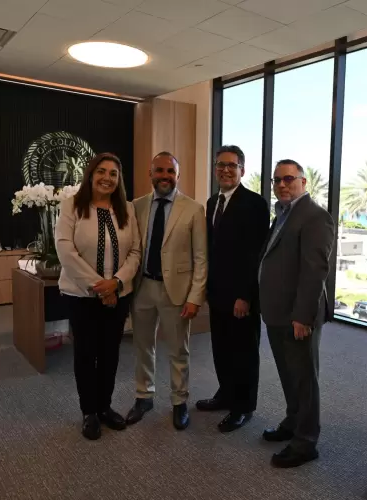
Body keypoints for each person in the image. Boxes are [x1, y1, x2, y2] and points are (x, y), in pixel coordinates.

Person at [55, 152, 141, 441]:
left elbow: (135, 252)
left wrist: (115, 283)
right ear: (91, 175)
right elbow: (66, 250)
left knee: (110, 354)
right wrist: (98, 286)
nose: (107, 178)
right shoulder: (72, 207)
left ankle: (104, 406)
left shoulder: (127, 209)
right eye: (101, 171)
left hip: (118, 294)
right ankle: (88, 411)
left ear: (119, 179)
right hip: (81, 295)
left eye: (113, 173)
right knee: (85, 353)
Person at [258, 159, 335, 468]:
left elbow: (315, 271)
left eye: (289, 179)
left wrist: (303, 316)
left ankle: (306, 441)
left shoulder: (315, 217)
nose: (282, 185)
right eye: (277, 180)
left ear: (304, 182)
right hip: (278, 311)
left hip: (298, 314)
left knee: (304, 378)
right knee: (289, 373)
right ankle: (293, 422)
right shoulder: (284, 214)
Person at [126, 151, 207, 430]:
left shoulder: (193, 209)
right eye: (159, 171)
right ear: (150, 174)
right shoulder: (136, 206)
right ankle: (143, 396)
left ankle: (179, 401)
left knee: (178, 350)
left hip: (177, 291)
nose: (164, 176)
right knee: (142, 347)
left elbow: (201, 259)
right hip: (143, 287)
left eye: (170, 172)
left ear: (177, 175)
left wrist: (196, 297)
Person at [195, 145, 270, 433]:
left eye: (231, 165)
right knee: (222, 347)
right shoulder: (212, 202)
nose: (225, 170)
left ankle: (243, 406)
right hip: (217, 292)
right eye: (220, 165)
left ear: (242, 170)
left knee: (244, 351)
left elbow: (256, 254)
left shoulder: (255, 203)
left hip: (242, 295)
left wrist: (246, 295)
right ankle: (226, 394)